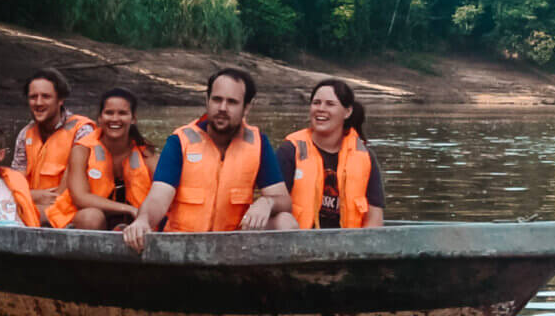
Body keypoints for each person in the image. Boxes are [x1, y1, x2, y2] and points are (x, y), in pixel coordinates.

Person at [120, 69, 291, 251]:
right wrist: (143, 220)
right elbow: (159, 197)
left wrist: (267, 202)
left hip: (233, 245)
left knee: (285, 222)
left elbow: (284, 199)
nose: (222, 108)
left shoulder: (259, 144)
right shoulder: (180, 141)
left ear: (247, 107)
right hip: (181, 244)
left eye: (232, 102)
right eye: (217, 99)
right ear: (207, 100)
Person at [282, 78, 385, 229]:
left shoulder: (365, 156)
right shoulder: (290, 150)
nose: (321, 109)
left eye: (330, 104)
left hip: (348, 246)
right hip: (299, 243)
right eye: (316, 103)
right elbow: (275, 202)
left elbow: (375, 216)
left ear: (347, 112)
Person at [54, 86, 157, 230]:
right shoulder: (81, 151)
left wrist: (144, 215)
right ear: (100, 118)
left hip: (133, 222)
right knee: (92, 217)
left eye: (122, 113)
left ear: (133, 119)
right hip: (87, 219)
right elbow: (80, 197)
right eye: (109, 113)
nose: (115, 119)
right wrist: (129, 209)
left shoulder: (146, 154)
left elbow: (162, 190)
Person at [11, 71, 94, 227]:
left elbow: (61, 196)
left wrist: (31, 199)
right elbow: (16, 184)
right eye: (33, 97)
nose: (38, 102)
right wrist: (34, 196)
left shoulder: (82, 130)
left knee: (90, 217)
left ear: (60, 100)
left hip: (68, 210)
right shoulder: (25, 134)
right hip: (35, 205)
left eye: (46, 96)